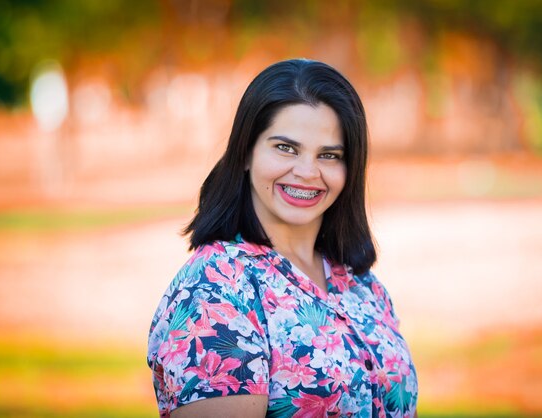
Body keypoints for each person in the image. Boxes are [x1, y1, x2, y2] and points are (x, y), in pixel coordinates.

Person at [147, 59, 418, 418]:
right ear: (245, 153)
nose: (307, 172)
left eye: (329, 155)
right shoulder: (215, 288)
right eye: (286, 148)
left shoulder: (360, 284)